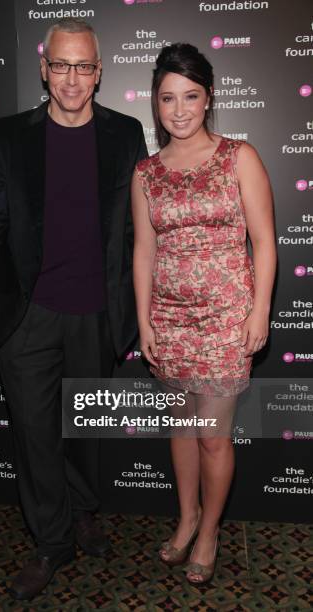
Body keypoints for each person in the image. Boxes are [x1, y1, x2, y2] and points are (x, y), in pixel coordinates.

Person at [0, 18, 147, 601]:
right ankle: (52, 541)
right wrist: (5, 294)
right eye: (62, 65)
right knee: (35, 433)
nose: (72, 78)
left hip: (96, 313)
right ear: (45, 70)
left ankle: (82, 512)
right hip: (29, 316)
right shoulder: (8, 135)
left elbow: (136, 231)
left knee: (83, 430)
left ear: (99, 73)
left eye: (85, 66)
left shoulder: (125, 136)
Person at [132, 43, 276, 585]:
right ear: (156, 102)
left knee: (213, 434)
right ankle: (187, 516)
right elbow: (143, 252)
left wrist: (258, 312)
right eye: (168, 98)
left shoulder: (240, 156)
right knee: (182, 426)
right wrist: (145, 321)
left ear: (208, 96)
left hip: (224, 318)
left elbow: (264, 242)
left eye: (190, 96)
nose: (180, 109)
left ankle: (211, 529)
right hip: (167, 320)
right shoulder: (145, 173)